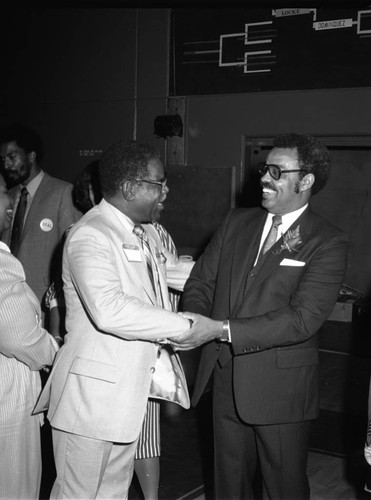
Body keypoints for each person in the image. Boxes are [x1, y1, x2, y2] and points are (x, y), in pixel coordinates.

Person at [169, 133, 350, 499]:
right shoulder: (237, 222)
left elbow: (301, 319)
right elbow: (202, 281)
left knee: (282, 488)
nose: (264, 178)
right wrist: (195, 320)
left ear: (307, 181)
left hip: (280, 391)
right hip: (223, 379)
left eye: (276, 172)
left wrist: (218, 329)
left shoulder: (327, 241)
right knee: (227, 487)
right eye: (264, 169)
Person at [33, 140, 193, 499]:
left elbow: (174, 272)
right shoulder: (91, 234)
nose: (165, 190)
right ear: (130, 188)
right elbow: (110, 310)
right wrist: (188, 327)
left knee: (112, 494)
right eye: (158, 182)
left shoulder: (142, 233)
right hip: (91, 403)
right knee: (79, 494)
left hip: (124, 399)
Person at [0, 172, 59, 499]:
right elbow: (20, 338)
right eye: (1, 192)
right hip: (6, 407)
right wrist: (58, 351)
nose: (9, 199)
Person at [0, 122, 81, 307]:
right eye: (2, 158)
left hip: (44, 301)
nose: (6, 164)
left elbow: (72, 256)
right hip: (8, 297)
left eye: (12, 157)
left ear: (31, 156)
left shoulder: (63, 193)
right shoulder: (7, 197)